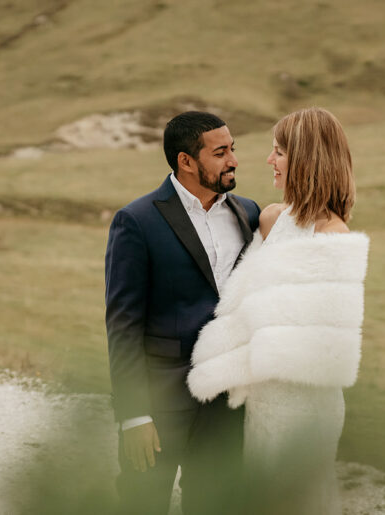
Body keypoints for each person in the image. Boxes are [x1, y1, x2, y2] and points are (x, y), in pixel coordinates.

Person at [187, 107, 369, 515]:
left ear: (306, 160)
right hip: (264, 400)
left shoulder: (334, 235)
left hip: (305, 403)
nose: (269, 161)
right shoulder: (271, 219)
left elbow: (325, 341)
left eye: (279, 152)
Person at [104, 111, 261, 515]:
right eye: (220, 152)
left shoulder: (250, 213)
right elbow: (123, 324)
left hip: (225, 404)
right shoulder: (137, 221)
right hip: (160, 403)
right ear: (186, 161)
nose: (233, 161)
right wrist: (133, 415)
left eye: (233, 150)